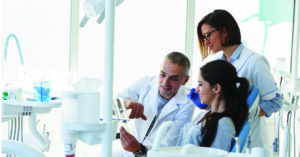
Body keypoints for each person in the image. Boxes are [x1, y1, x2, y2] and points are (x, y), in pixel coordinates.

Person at [197, 9, 282, 149]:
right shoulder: (217, 61)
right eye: (203, 38)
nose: (206, 42)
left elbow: (276, 101)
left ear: (224, 32)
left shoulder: (254, 61)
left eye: (208, 35)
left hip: (251, 141)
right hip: (222, 136)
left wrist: (248, 114)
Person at [118, 52, 195, 157]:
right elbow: (113, 102)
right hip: (126, 153)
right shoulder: (145, 83)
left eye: (173, 78)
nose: (165, 82)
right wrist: (126, 102)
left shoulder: (187, 105)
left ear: (185, 80)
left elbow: (170, 145)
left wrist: (139, 149)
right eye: (162, 74)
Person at [177, 60, 249, 151]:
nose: (197, 89)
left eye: (200, 84)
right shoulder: (205, 115)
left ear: (216, 88)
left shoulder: (223, 125)